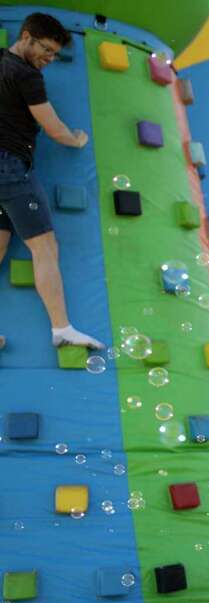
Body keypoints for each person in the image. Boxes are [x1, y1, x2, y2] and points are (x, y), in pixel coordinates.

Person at [0, 13, 102, 351]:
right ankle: (62, 329)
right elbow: (55, 129)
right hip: (10, 168)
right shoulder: (27, 75)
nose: (50, 58)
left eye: (56, 54)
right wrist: (77, 139)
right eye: (45, 49)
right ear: (26, 37)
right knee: (44, 246)